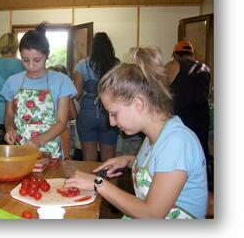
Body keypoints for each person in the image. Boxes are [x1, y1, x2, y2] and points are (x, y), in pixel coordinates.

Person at [65, 45, 208, 219]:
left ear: (138, 104)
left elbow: (152, 214)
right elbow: (158, 167)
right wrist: (128, 160)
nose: (111, 122)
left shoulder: (177, 142)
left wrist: (98, 183)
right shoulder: (155, 136)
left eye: (113, 113)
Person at [1, 23, 77, 159]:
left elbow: (61, 122)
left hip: (50, 148)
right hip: (20, 149)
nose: (30, 66)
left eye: (37, 60)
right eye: (25, 60)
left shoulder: (61, 81)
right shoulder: (12, 81)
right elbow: (9, 115)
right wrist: (9, 129)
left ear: (47, 55)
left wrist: (38, 140)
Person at [73, 32, 120, 162]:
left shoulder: (82, 64)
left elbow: (77, 93)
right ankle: (108, 182)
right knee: (109, 159)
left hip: (87, 114)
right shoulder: (117, 65)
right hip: (109, 113)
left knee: (89, 158)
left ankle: (91, 182)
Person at [164, 41, 211, 161]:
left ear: (175, 54)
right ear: (192, 54)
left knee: (178, 152)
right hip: (202, 115)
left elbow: (161, 91)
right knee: (200, 149)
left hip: (180, 115)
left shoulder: (172, 65)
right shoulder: (205, 68)